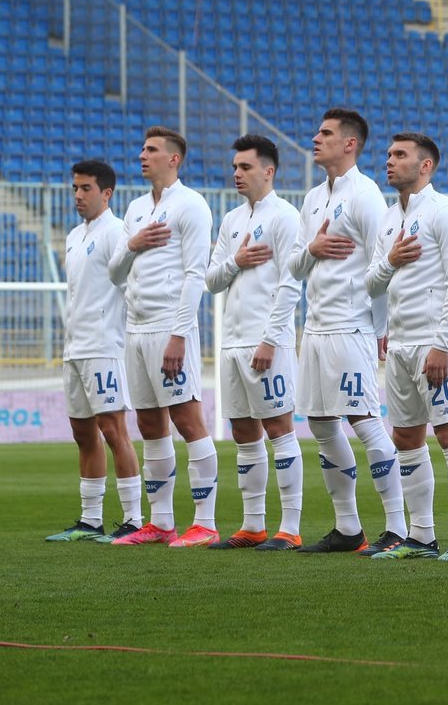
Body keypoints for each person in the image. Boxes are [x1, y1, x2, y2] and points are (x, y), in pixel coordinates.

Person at [288, 108, 404, 555]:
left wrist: (380, 327)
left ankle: (397, 528)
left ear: (350, 143)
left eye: (326, 133)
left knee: (365, 421)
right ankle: (348, 528)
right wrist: (313, 248)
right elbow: (295, 265)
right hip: (315, 329)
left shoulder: (366, 195)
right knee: (320, 423)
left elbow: (383, 265)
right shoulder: (313, 198)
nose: (315, 138)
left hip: (351, 325)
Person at [365, 132, 448, 562]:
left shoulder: (445, 214)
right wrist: (391, 261)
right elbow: (372, 283)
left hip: (434, 342)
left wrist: (443, 344)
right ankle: (422, 536)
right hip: (399, 344)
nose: (390, 161)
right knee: (406, 437)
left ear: (425, 165)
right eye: (389, 154)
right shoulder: (388, 219)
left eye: (400, 155)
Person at [108, 126, 218, 547]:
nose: (142, 155)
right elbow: (115, 271)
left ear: (174, 158)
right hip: (135, 330)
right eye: (142, 148)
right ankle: (161, 522)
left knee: (187, 420)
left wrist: (179, 335)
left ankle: (205, 523)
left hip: (169, 328)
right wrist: (133, 244)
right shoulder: (136, 208)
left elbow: (195, 275)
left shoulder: (192, 205)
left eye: (151, 149)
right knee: (149, 424)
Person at [204, 135, 305, 550]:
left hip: (267, 343)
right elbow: (212, 280)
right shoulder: (231, 220)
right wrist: (236, 261)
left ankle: (291, 528)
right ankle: (253, 526)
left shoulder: (286, 217)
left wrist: (271, 339)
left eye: (245, 167)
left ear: (269, 171)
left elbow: (291, 284)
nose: (236, 173)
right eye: (234, 167)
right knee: (244, 433)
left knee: (279, 429)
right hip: (232, 343)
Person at [46, 160, 143, 543]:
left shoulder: (116, 232)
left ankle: (133, 519)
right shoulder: (74, 236)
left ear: (106, 193)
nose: (78, 195)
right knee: (82, 433)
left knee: (114, 430)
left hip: (104, 347)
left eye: (85, 188)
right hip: (75, 348)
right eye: (75, 188)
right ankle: (90, 520)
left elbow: (130, 288)